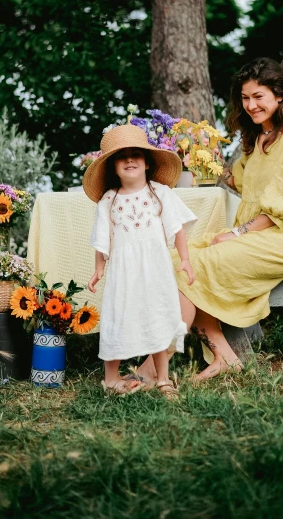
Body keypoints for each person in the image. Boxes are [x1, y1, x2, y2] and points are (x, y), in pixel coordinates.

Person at [138, 57, 283, 384]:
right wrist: (198, 156)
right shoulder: (256, 140)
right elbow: (237, 181)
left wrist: (237, 233)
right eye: (245, 98)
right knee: (176, 259)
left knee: (200, 262)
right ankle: (224, 357)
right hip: (256, 233)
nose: (251, 105)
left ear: (279, 96)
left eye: (259, 96)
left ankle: (153, 369)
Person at [83, 123, 197, 397]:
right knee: (119, 317)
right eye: (122, 156)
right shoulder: (108, 201)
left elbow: (177, 228)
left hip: (155, 269)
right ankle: (111, 379)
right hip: (123, 272)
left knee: (157, 315)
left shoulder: (160, 193)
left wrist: (185, 259)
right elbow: (103, 239)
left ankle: (162, 379)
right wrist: (99, 268)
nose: (130, 159)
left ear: (147, 163)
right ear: (113, 167)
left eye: (137, 154)